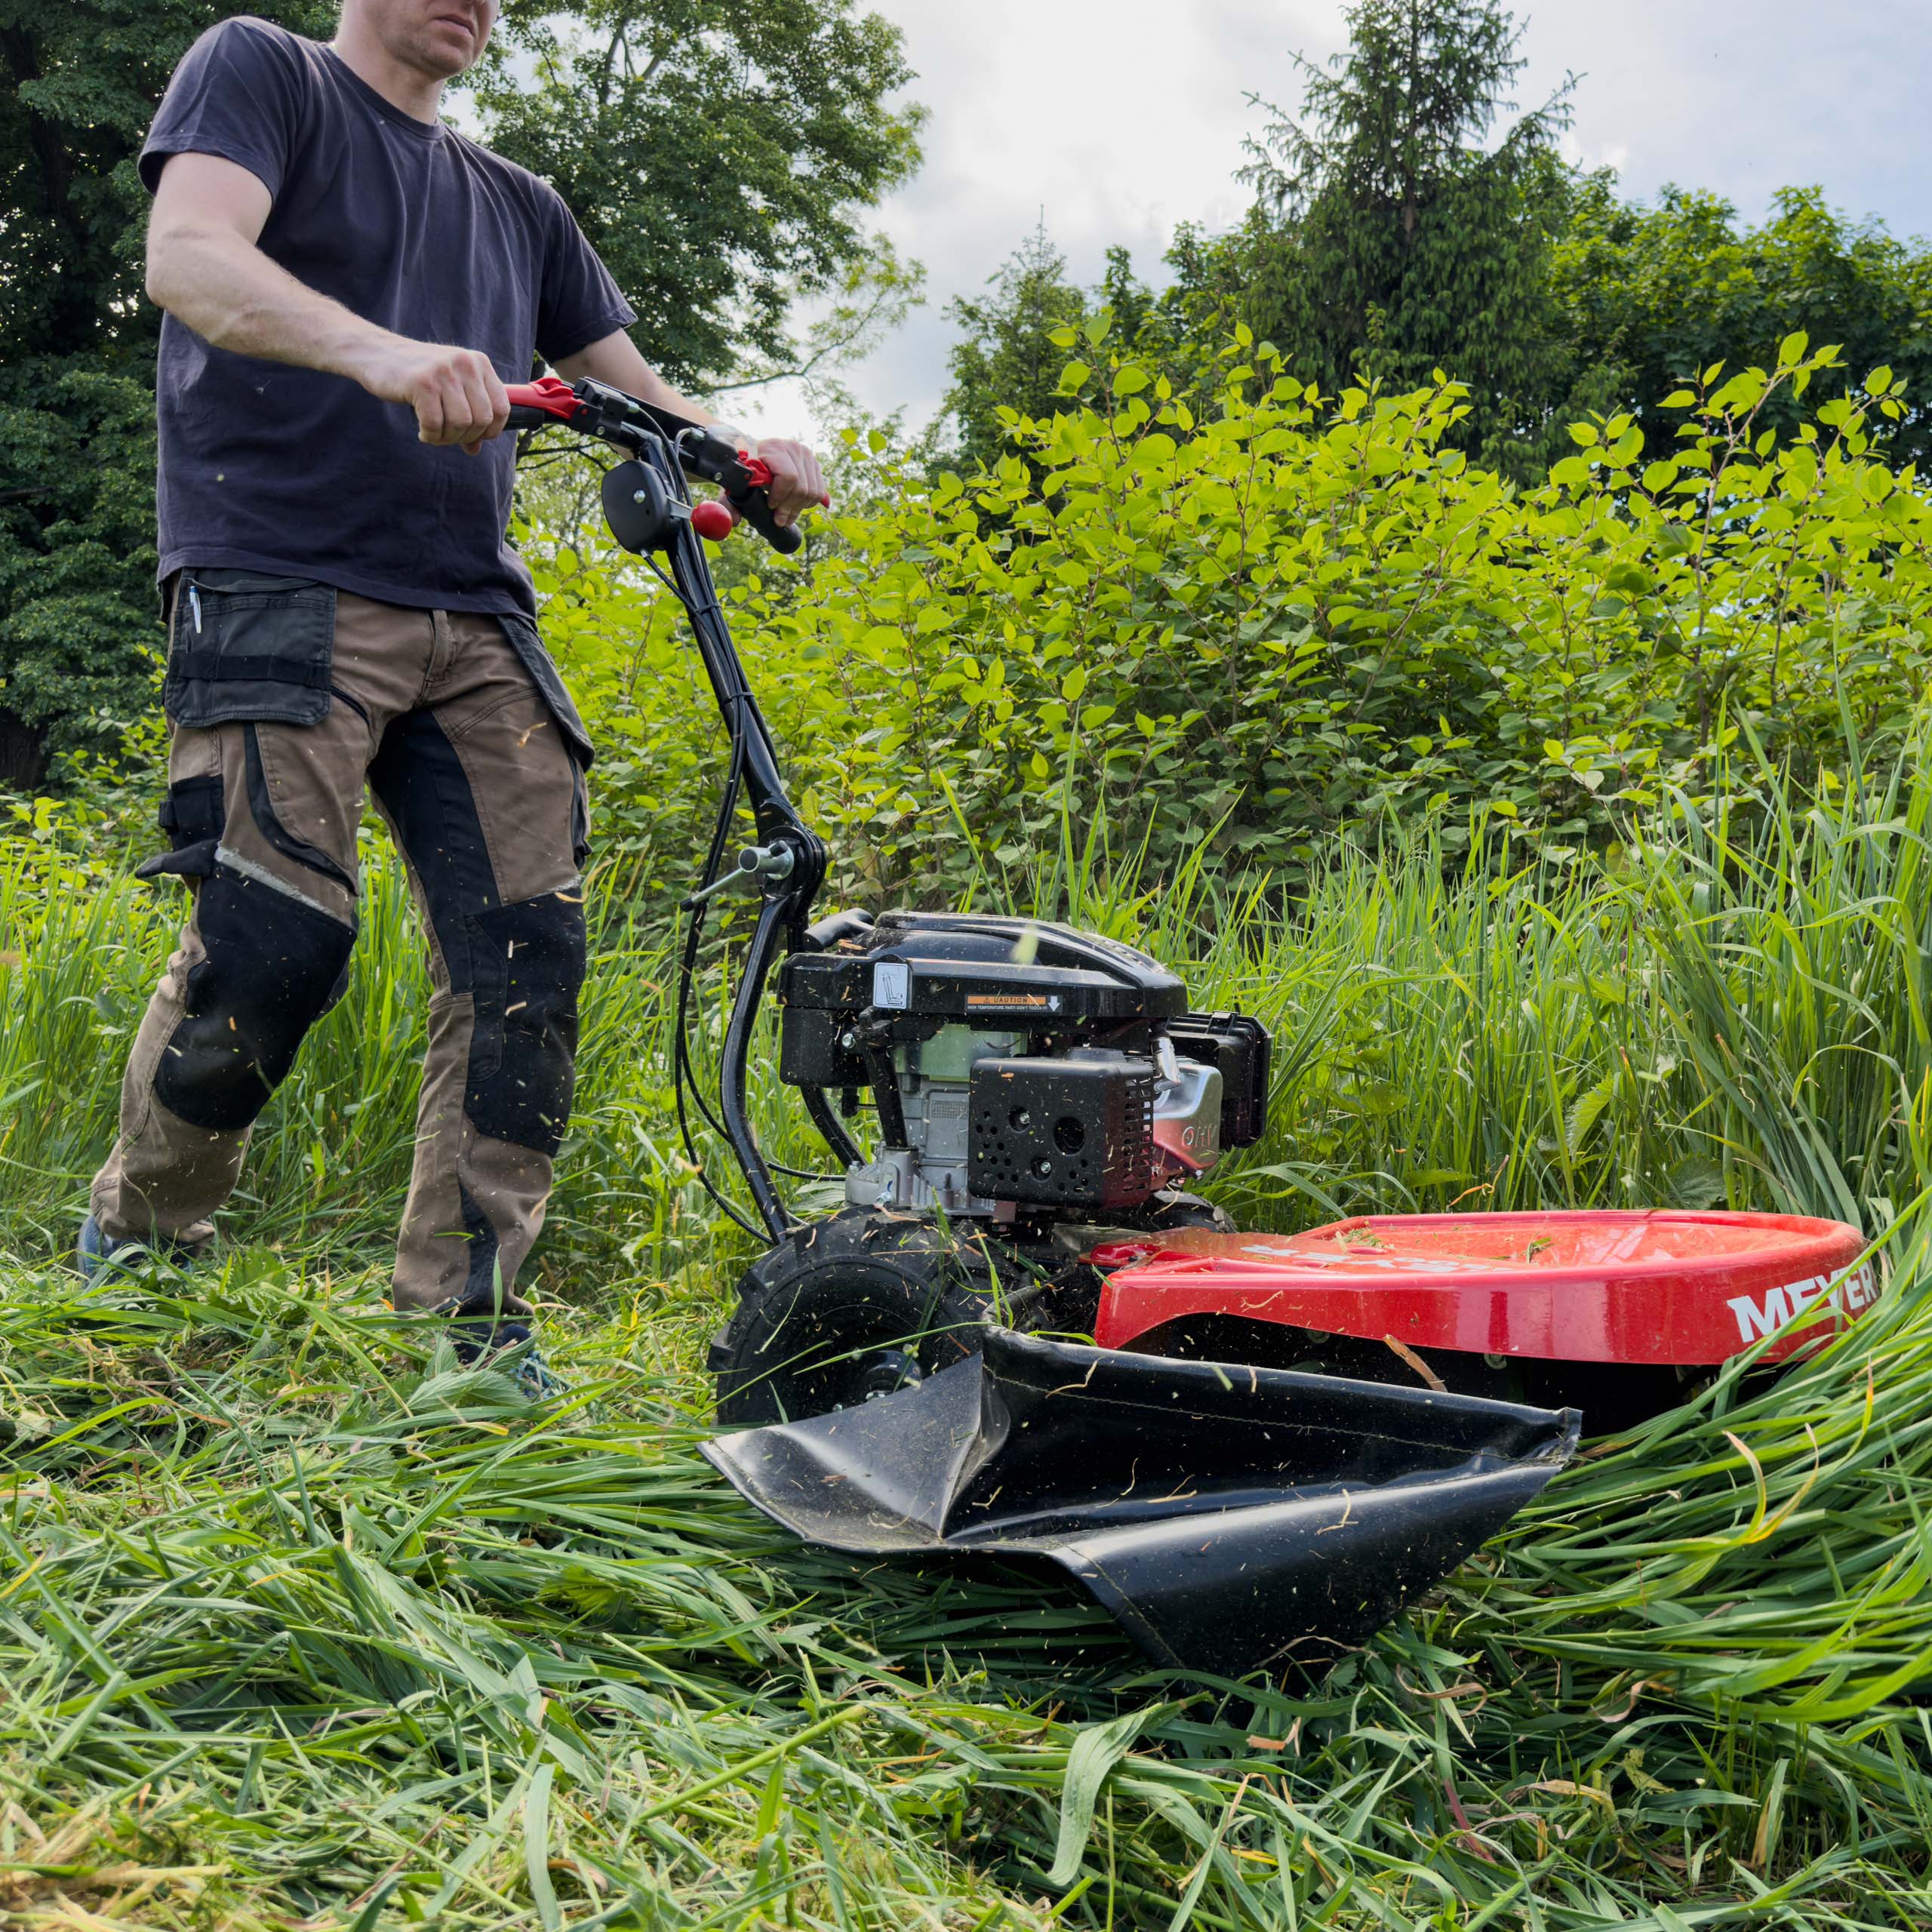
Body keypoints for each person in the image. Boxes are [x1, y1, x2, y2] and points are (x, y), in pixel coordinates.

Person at [81, 0, 826, 1386]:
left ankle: (469, 1325)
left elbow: (644, 398)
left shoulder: (518, 205)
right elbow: (187, 258)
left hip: (473, 612)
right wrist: (381, 353)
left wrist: (745, 448)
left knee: (525, 962)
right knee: (273, 939)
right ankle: (140, 1243)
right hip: (277, 576)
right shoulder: (264, 74)